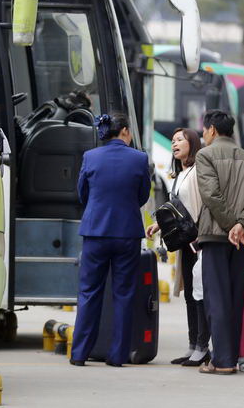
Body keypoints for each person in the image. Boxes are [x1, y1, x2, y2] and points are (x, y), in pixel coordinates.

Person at [70, 113, 151, 367]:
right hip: (127, 233)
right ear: (125, 131)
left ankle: (80, 353)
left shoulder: (91, 156)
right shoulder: (140, 159)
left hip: (95, 232)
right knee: (124, 294)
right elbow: (143, 195)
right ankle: (117, 356)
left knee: (89, 293)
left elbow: (82, 192)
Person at [195, 110, 244, 375]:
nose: (203, 135)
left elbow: (211, 195)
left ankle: (223, 361)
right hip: (239, 239)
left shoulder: (205, 156)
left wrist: (231, 227)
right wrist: (242, 225)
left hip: (216, 236)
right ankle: (230, 355)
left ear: (212, 130)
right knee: (235, 297)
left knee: (216, 299)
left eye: (204, 130)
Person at [147, 128, 210, 366]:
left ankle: (203, 347)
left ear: (192, 143)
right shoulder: (179, 174)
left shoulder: (197, 172)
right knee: (189, 296)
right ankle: (193, 344)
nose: (174, 144)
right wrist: (159, 227)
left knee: (199, 294)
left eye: (180, 140)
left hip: (197, 242)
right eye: (172, 141)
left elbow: (200, 207)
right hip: (185, 241)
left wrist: (200, 235)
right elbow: (178, 212)